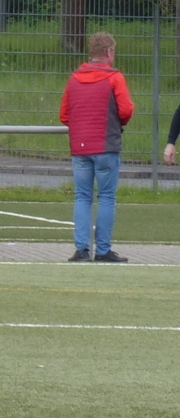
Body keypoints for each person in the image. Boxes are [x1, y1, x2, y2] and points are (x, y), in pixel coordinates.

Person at [61, 30, 134, 263]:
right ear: (109, 53)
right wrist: (117, 123)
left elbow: (64, 114)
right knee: (106, 197)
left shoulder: (74, 78)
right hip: (106, 145)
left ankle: (82, 249)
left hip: (80, 147)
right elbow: (126, 109)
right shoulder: (115, 78)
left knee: (82, 196)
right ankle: (103, 250)